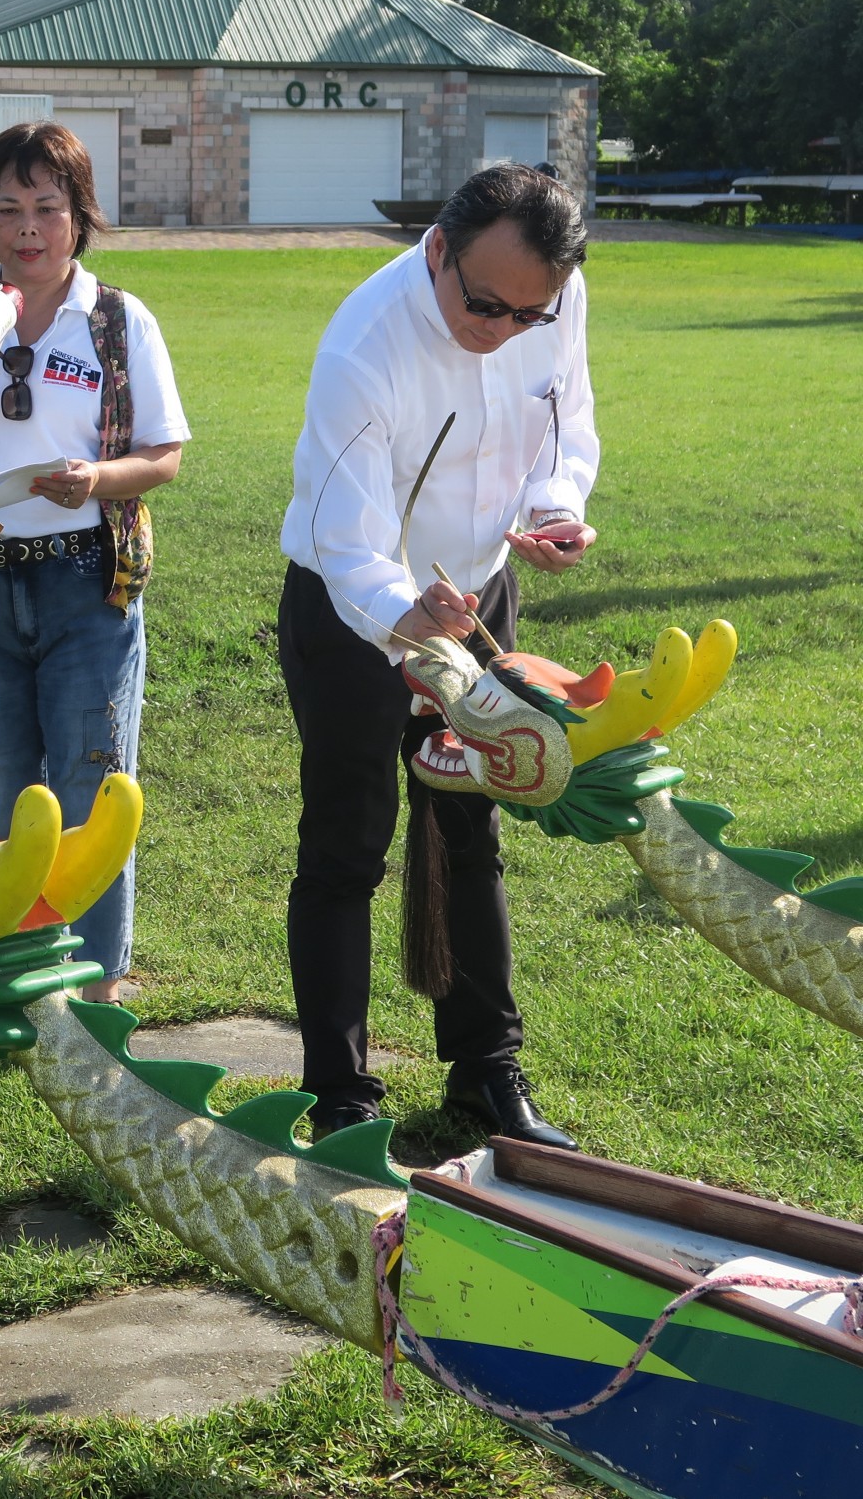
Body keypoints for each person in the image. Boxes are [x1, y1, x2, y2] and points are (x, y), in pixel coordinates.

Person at [277, 162, 598, 1149]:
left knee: (469, 832)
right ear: (434, 250)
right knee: (346, 843)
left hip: (478, 594)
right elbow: (343, 538)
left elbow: (565, 425)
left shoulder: (550, 294)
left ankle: (484, 1076)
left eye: (525, 315)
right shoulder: (362, 345)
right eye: (483, 305)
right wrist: (400, 613)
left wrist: (552, 511)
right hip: (352, 609)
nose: (501, 330)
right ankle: (337, 1093)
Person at [0, 121, 186, 1004]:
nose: (28, 228)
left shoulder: (117, 319)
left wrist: (97, 477)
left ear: (78, 216)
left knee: (91, 784)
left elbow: (163, 454)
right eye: (8, 208)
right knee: (2, 783)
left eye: (47, 208)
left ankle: (94, 992)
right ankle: (18, 977)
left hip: (87, 576)